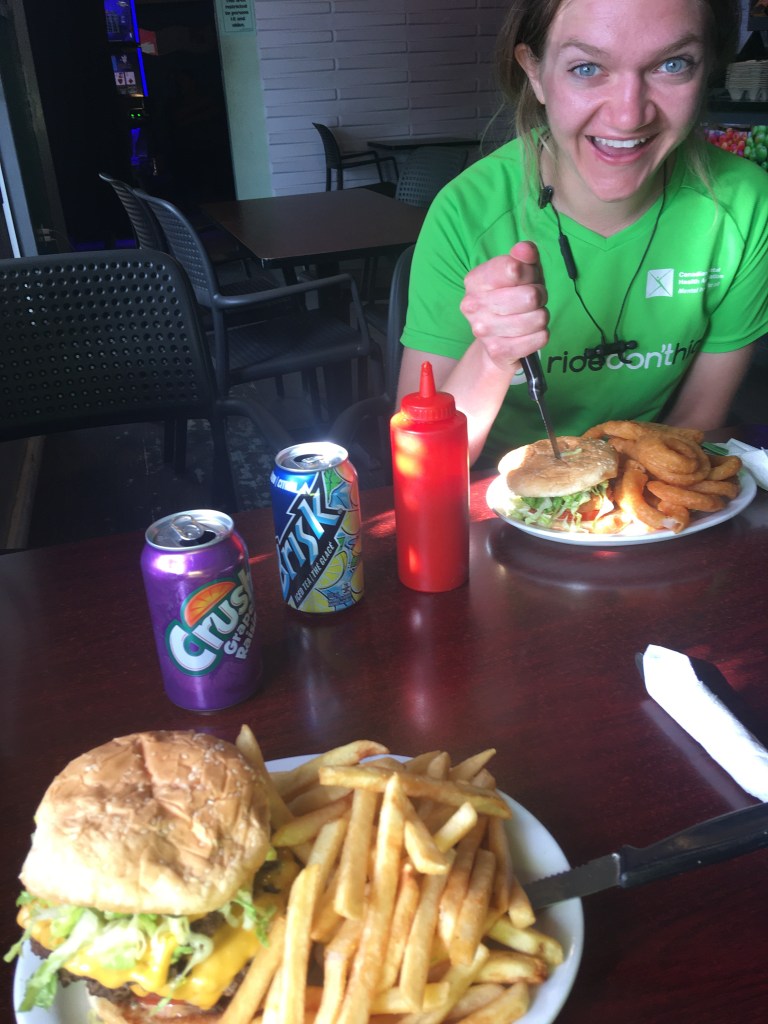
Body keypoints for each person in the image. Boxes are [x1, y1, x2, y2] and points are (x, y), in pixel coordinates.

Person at [397, 0, 768, 467]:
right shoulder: (466, 211)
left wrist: (618, 502)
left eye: (673, 64)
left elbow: (699, 419)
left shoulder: (746, 203)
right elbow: (424, 461)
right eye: (586, 68)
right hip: (491, 487)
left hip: (647, 482)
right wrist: (493, 356)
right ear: (535, 72)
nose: (629, 116)